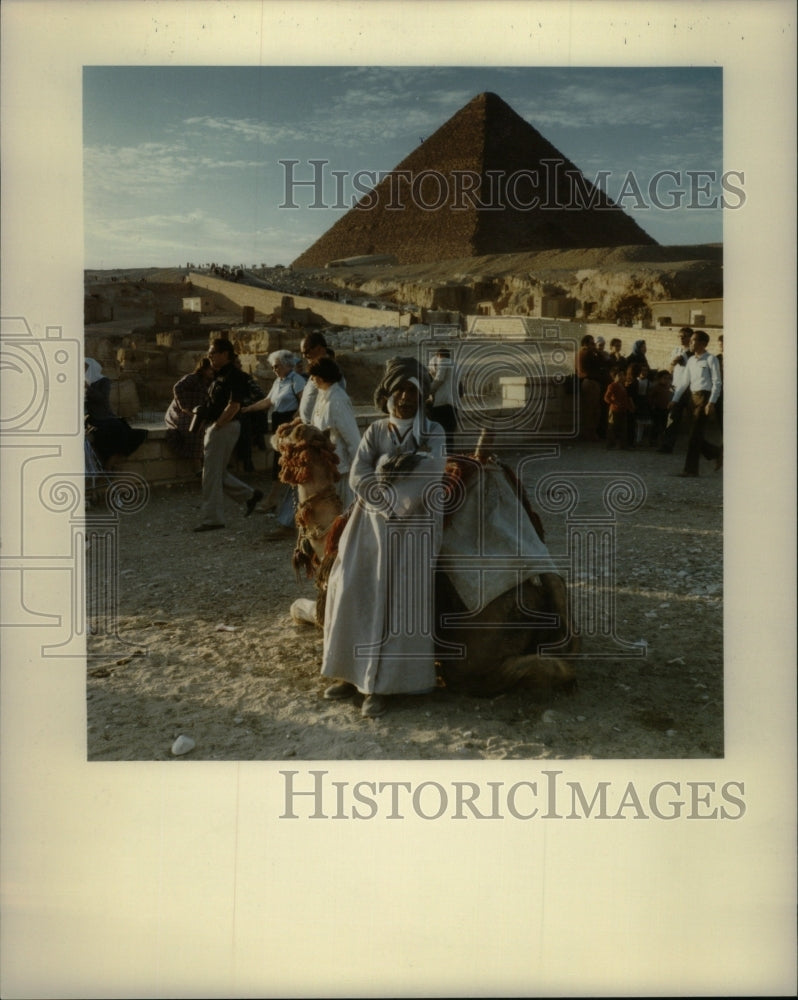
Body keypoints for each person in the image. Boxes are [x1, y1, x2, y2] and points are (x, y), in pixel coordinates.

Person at [321, 356, 446, 718]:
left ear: (423, 397)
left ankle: (384, 686)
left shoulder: (433, 433)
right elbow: (358, 473)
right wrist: (379, 488)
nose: (405, 397)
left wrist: (390, 491)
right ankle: (348, 673)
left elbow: (430, 472)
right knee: (349, 585)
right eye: (399, 390)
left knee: (397, 599)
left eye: (413, 390)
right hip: (369, 523)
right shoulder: (376, 431)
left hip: (413, 528)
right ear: (387, 395)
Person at [192, 338, 263, 532]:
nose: (210, 356)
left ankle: (212, 518)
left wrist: (217, 425)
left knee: (210, 475)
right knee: (217, 472)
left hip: (225, 426)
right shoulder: (219, 375)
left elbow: (234, 405)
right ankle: (249, 495)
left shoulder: (235, 376)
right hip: (221, 426)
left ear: (225, 354)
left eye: (213, 352)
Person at [241, 349, 306, 489]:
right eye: (272, 366)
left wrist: (294, 421)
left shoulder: (297, 380)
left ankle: (274, 496)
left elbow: (304, 403)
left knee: (286, 458)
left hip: (289, 423)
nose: (273, 369)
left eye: (276, 366)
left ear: (287, 365)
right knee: (280, 458)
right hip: (279, 422)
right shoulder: (278, 382)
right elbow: (268, 401)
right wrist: (248, 409)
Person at [306, 356, 361, 507]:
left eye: (313, 377)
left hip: (340, 466)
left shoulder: (338, 400)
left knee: (342, 510)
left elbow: (352, 437)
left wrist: (359, 470)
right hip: (324, 465)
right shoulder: (323, 396)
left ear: (321, 377)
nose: (311, 380)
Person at [668, 330, 722, 477]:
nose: (691, 343)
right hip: (692, 397)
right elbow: (684, 382)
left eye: (694, 341)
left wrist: (711, 402)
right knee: (694, 435)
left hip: (704, 398)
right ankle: (717, 453)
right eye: (690, 340)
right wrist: (675, 399)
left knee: (694, 435)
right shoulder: (691, 361)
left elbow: (717, 382)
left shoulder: (711, 359)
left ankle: (690, 470)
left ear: (703, 343)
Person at [84, 358, 148, 467]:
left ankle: (113, 460)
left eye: (85, 368)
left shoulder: (103, 381)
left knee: (118, 428)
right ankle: (110, 462)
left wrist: (87, 388)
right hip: (92, 418)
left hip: (105, 416)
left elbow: (101, 398)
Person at [164, 357, 214, 473]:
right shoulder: (192, 378)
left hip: (197, 413)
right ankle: (197, 467)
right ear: (203, 369)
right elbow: (177, 387)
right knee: (194, 429)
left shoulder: (211, 382)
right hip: (179, 413)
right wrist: (184, 407)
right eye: (210, 369)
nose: (212, 372)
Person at [657, 327, 693, 454]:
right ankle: (667, 445)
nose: (682, 338)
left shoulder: (693, 353)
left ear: (691, 338)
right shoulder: (676, 350)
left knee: (692, 420)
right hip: (676, 388)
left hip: (689, 389)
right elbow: (670, 367)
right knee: (672, 417)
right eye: (680, 336)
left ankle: (695, 447)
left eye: (685, 336)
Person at [298, 332, 343, 424]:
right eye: (302, 353)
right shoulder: (316, 371)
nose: (304, 356)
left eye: (306, 352)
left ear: (319, 348)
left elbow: (336, 402)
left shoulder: (331, 372)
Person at [427, 348, 457, 452]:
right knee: (449, 436)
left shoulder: (444, 362)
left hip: (442, 405)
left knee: (439, 434)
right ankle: (449, 459)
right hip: (453, 406)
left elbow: (439, 379)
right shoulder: (454, 366)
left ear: (439, 356)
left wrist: (426, 392)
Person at [576, 334, 602, 442]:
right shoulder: (588, 353)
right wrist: (598, 352)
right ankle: (591, 435)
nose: (594, 346)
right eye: (592, 343)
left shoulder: (579, 353)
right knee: (593, 411)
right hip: (590, 383)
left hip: (585, 382)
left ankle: (588, 434)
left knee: (589, 410)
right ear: (586, 344)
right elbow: (600, 363)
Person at [603, 366, 634, 449]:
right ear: (614, 376)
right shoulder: (612, 386)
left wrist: (629, 407)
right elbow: (606, 398)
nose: (621, 377)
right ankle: (610, 444)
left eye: (622, 375)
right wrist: (615, 403)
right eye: (619, 375)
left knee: (623, 428)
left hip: (623, 410)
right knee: (612, 427)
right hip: (614, 410)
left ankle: (622, 445)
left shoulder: (623, 386)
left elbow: (626, 399)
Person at [647, 369, 673, 448]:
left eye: (668, 378)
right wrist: (652, 405)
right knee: (655, 426)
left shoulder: (668, 387)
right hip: (657, 409)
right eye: (664, 378)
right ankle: (653, 441)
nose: (666, 380)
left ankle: (661, 441)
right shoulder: (656, 387)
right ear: (660, 379)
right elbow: (650, 398)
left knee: (664, 426)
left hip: (665, 409)